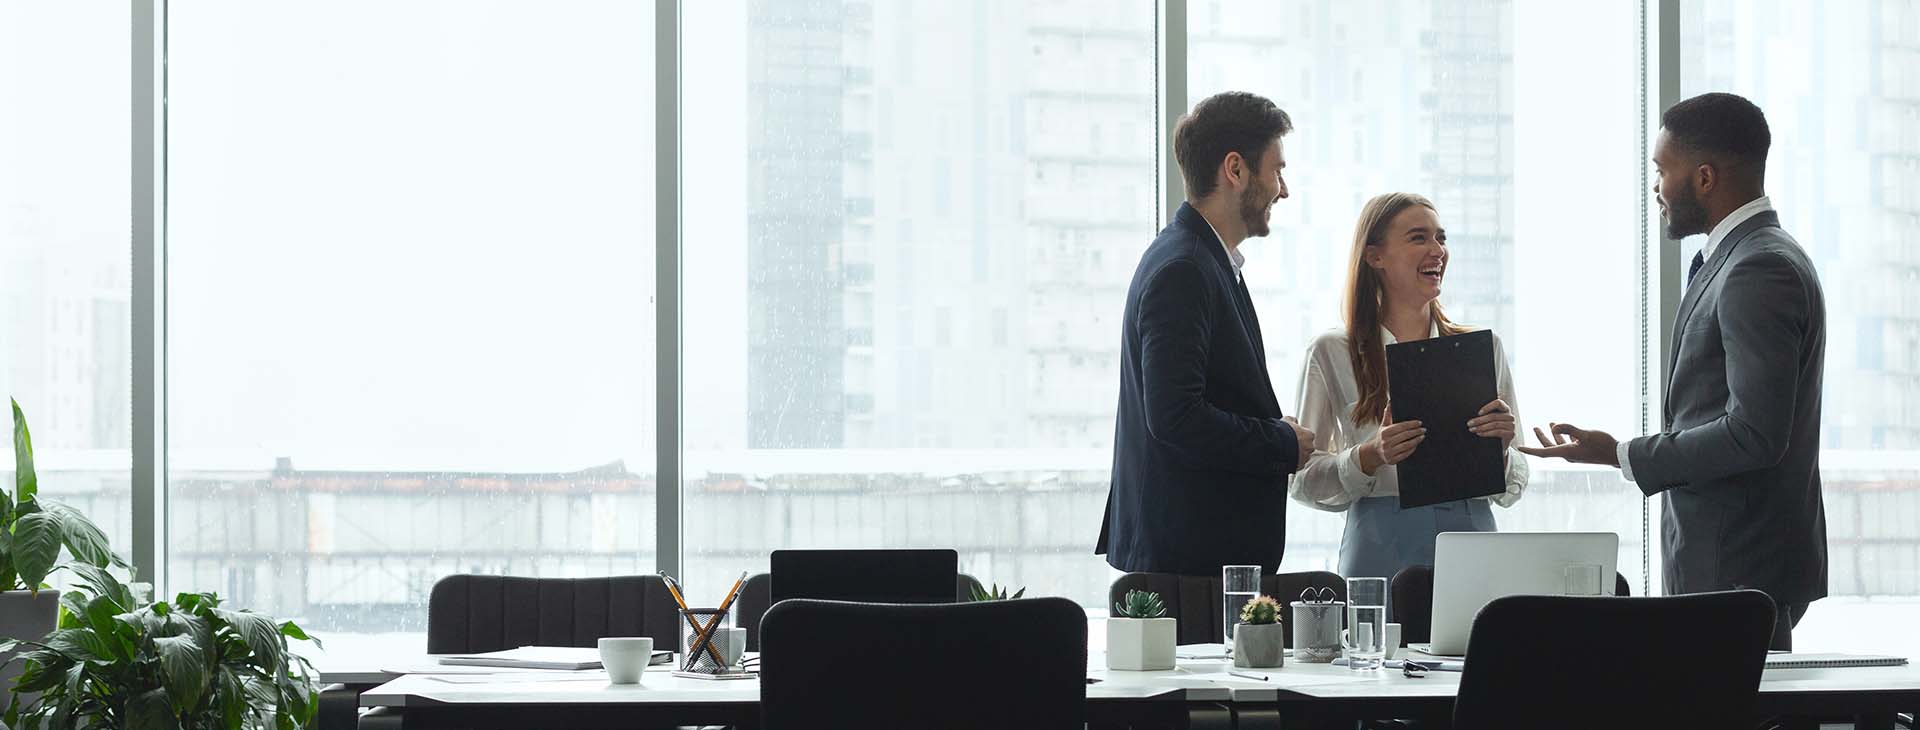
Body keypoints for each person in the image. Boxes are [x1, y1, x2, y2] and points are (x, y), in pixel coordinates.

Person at [1520, 92, 1827, 651]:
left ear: (1705, 177)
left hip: (1735, 570)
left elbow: (1754, 433)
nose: (1656, 188)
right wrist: (1612, 450)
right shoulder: (1746, 256)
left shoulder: (1756, 267)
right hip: (1733, 566)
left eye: (1662, 170)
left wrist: (1625, 454)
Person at [1096, 91, 1313, 576]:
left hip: (1194, 558)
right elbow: (1175, 417)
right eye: (1277, 170)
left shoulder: (1198, 260)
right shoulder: (1186, 269)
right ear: (1235, 170)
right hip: (1189, 567)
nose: (1283, 190)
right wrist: (1281, 443)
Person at [1289, 193, 1527, 581]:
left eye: (1441, 238)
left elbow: (1515, 482)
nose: (1438, 250)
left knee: (1478, 642)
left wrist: (1500, 451)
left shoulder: (1484, 348)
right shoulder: (1330, 352)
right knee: (1379, 644)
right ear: (1374, 256)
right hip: (1380, 543)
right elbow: (1301, 481)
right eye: (1419, 237)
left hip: (1474, 539)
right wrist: (1369, 455)